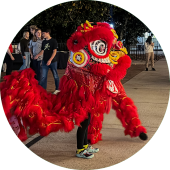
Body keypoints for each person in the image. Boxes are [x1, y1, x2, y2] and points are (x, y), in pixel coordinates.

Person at [35, 28, 59, 94]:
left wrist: (50, 60)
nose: (42, 35)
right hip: (44, 61)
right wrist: (38, 55)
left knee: (55, 75)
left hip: (53, 61)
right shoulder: (44, 41)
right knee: (43, 76)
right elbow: (42, 51)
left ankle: (57, 89)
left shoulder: (53, 41)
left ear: (47, 33)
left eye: (43, 33)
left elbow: (54, 52)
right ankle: (42, 91)